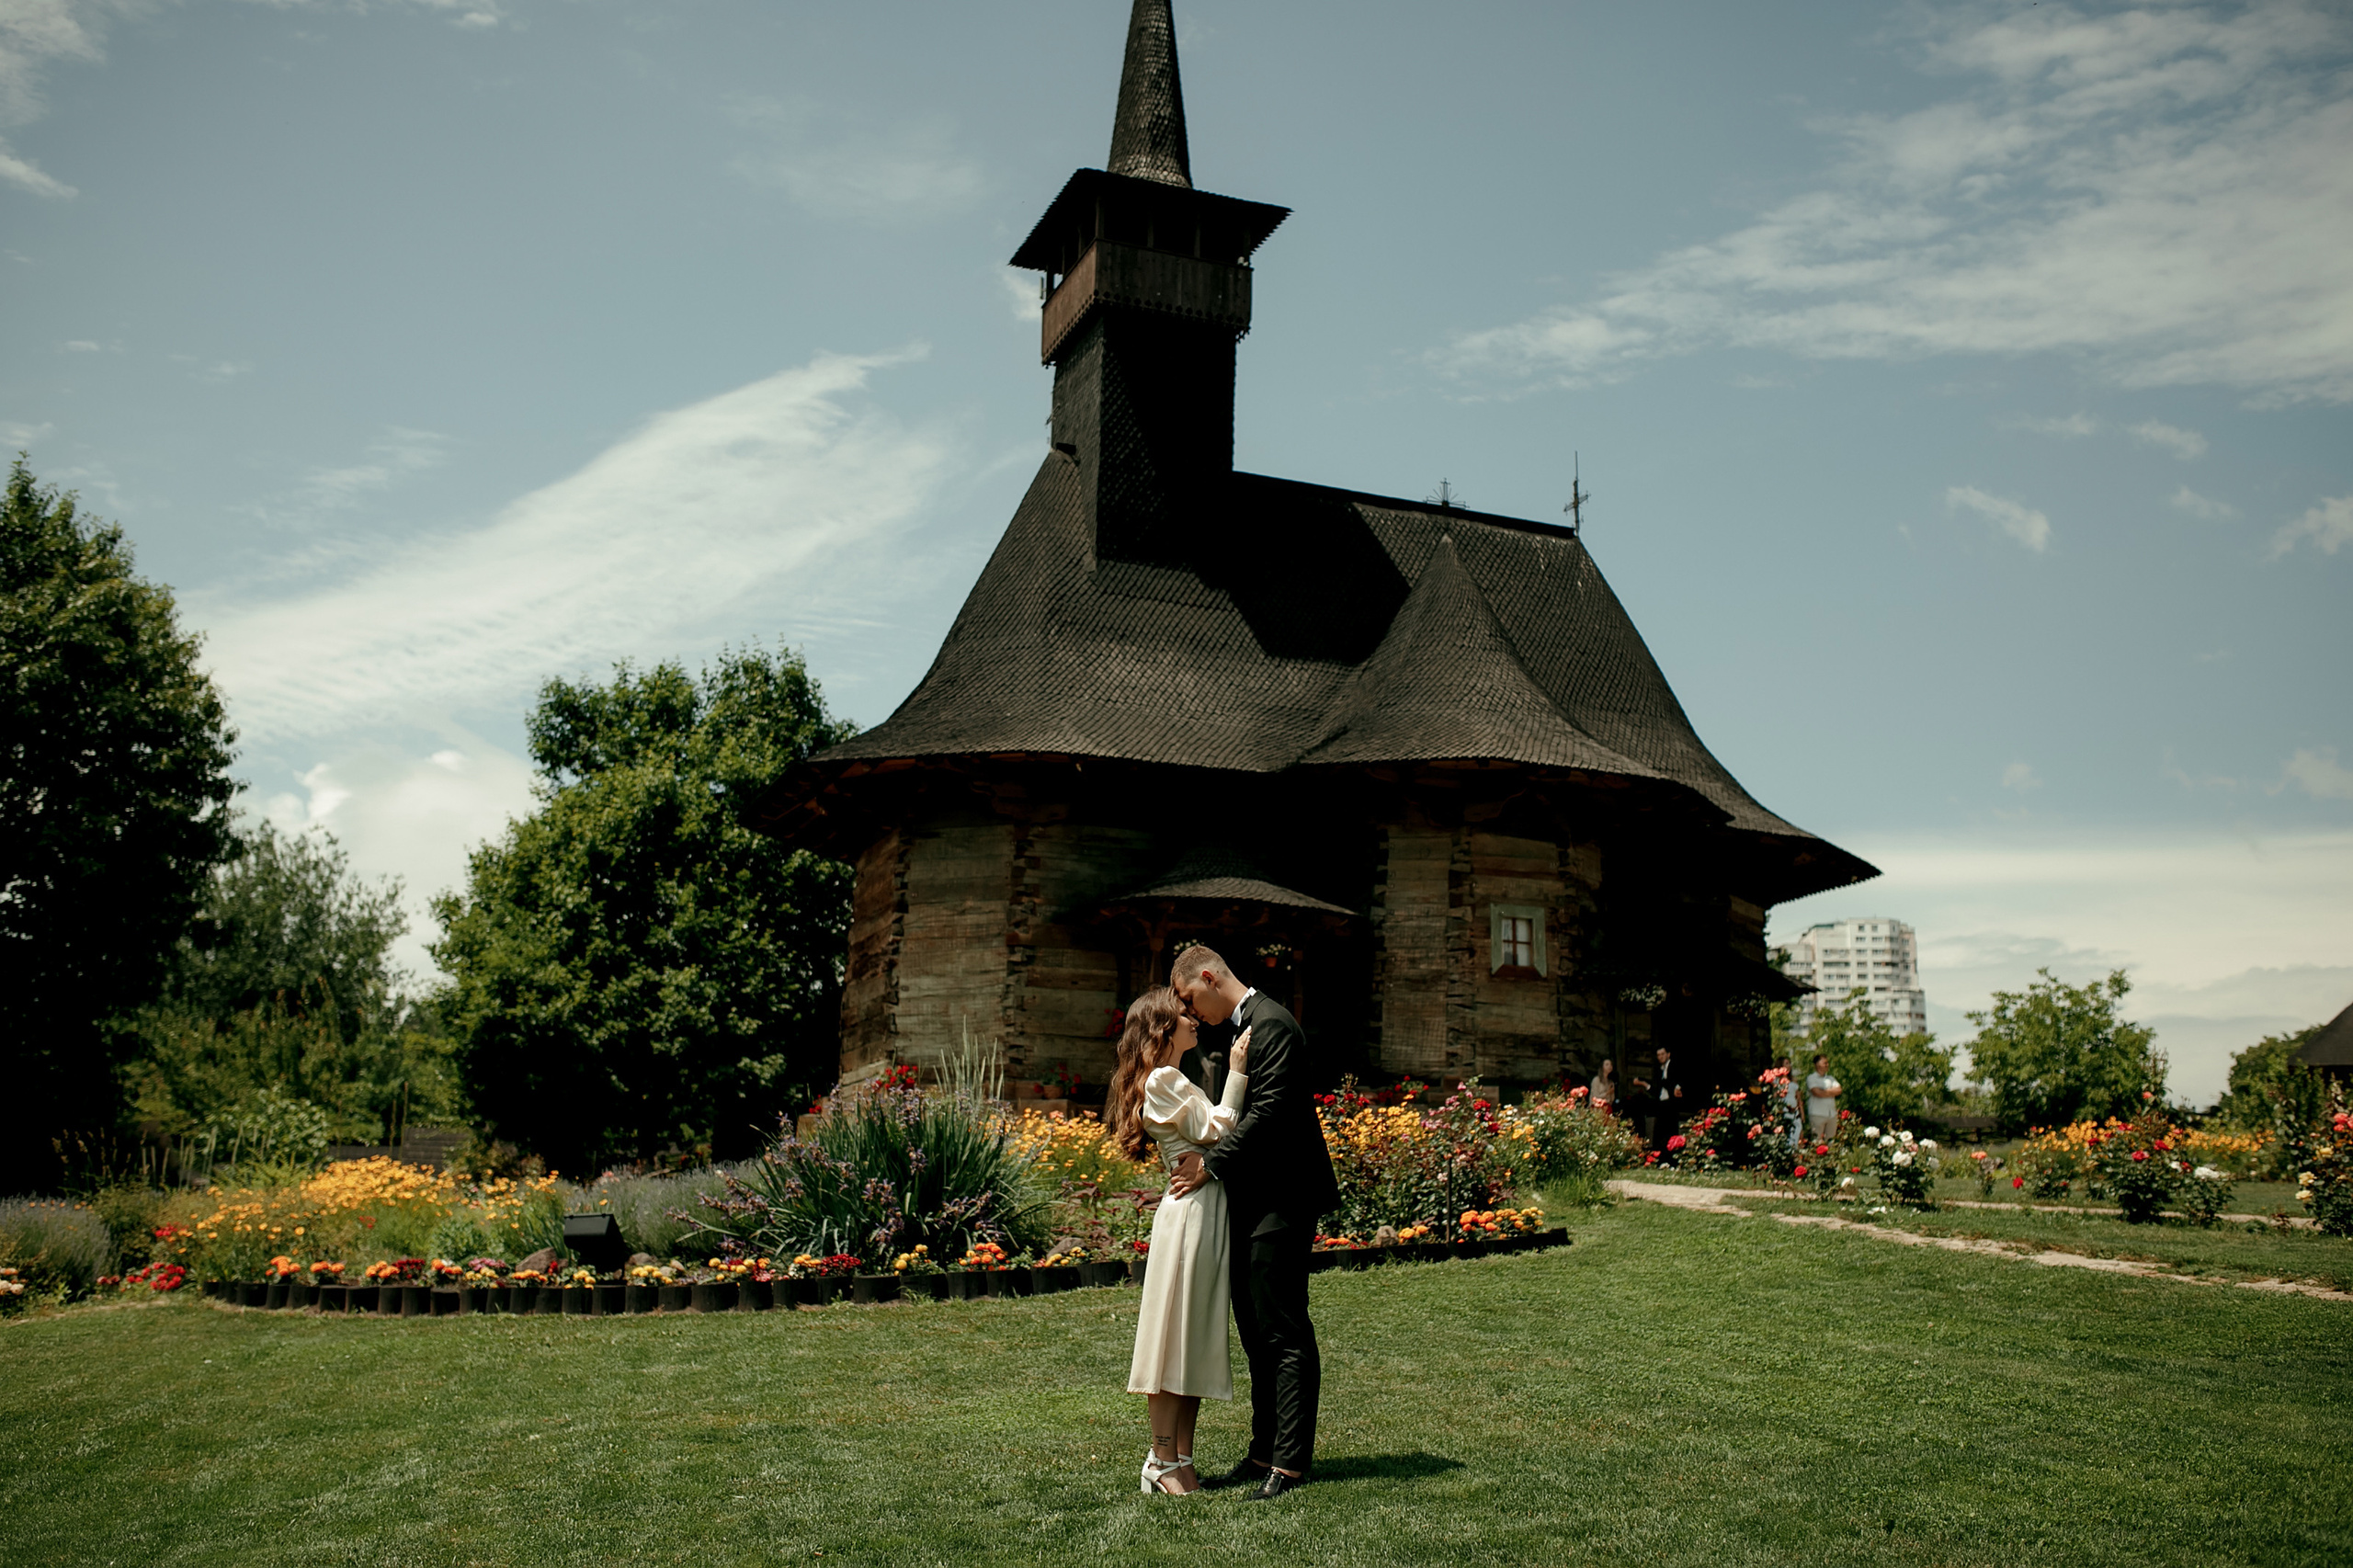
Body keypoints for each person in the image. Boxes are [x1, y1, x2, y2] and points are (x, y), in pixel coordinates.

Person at [1167, 943, 1340, 1500]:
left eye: (1193, 999)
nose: (1193, 1013)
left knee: (1283, 1331)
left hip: (1284, 1200)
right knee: (1255, 1333)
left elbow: (1269, 1113)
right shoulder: (1243, 1030)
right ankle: (1263, 1450)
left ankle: (1289, 1463)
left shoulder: (1274, 1026)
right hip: (1253, 1201)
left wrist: (1208, 1166)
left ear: (1211, 978)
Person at [1104, 987, 1253, 1496]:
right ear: (1162, 1029)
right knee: (1174, 1342)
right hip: (1189, 1217)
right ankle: (1162, 1461)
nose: (1194, 1021)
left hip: (1204, 1212)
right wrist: (1238, 1073)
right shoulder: (1163, 1079)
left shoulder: (1174, 1078)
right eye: (1183, 1016)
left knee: (1190, 1340)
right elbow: (1215, 1130)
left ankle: (1180, 1458)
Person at [1640, 1044, 1684, 1155]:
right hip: (1662, 1104)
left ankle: (1672, 1158)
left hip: (1671, 1103)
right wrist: (1645, 1084)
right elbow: (1657, 1090)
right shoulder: (1660, 1070)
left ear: (1668, 1054)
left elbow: (1681, 1079)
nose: (1660, 1057)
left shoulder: (1674, 1065)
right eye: (1658, 1055)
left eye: (1662, 1054)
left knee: (1671, 1131)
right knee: (1660, 1131)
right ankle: (1661, 1158)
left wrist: (1677, 1088)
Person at [1804, 1053, 1842, 1144]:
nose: (1827, 1065)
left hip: (1831, 1114)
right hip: (1817, 1114)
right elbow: (1817, 1092)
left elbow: (1839, 1090)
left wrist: (1823, 1091)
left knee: (1831, 1141)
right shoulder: (1811, 1078)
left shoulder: (1831, 1078)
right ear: (1817, 1064)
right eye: (1825, 1063)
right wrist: (1830, 1092)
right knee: (1817, 1141)